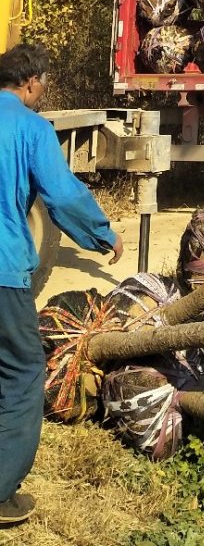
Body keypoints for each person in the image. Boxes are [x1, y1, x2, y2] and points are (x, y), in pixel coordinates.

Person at [0, 43, 123, 527]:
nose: (43, 91)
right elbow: (61, 193)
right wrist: (101, 233)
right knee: (24, 371)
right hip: (3, 273)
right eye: (44, 83)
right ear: (30, 82)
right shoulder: (31, 128)